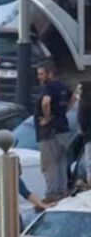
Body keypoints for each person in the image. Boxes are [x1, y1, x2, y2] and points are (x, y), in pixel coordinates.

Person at [34, 59, 75, 202]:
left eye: (41, 74)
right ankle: (63, 191)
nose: (39, 77)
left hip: (50, 132)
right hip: (63, 129)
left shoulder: (49, 87)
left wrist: (48, 118)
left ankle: (52, 194)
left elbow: (46, 102)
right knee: (61, 162)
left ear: (49, 73)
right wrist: (62, 112)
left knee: (49, 163)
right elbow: (74, 98)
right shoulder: (63, 86)